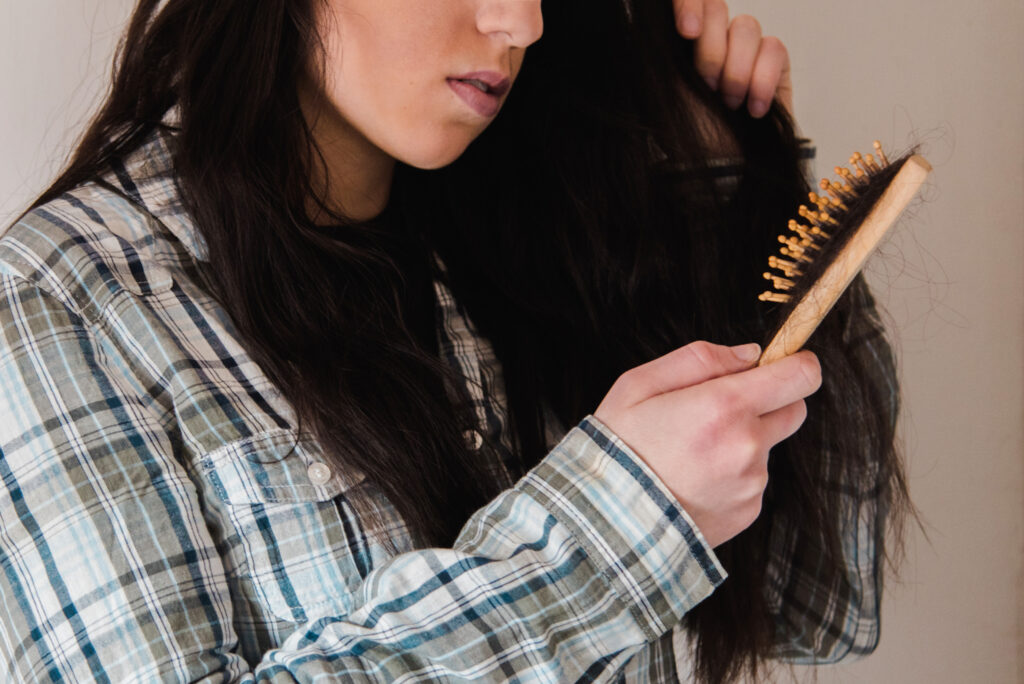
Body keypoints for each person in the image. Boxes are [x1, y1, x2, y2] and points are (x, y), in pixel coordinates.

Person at [0, 0, 908, 681]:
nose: (521, 22)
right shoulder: (67, 303)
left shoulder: (544, 231)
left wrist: (728, 186)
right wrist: (611, 532)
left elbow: (815, 607)